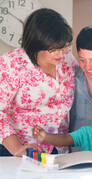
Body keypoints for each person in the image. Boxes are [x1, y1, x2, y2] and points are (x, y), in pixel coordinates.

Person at [0, 8, 76, 156]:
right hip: (21, 150)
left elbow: (88, 74)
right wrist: (16, 149)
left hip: (58, 147)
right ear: (36, 45)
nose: (61, 54)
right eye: (53, 49)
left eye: (64, 46)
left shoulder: (66, 58)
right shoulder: (11, 64)